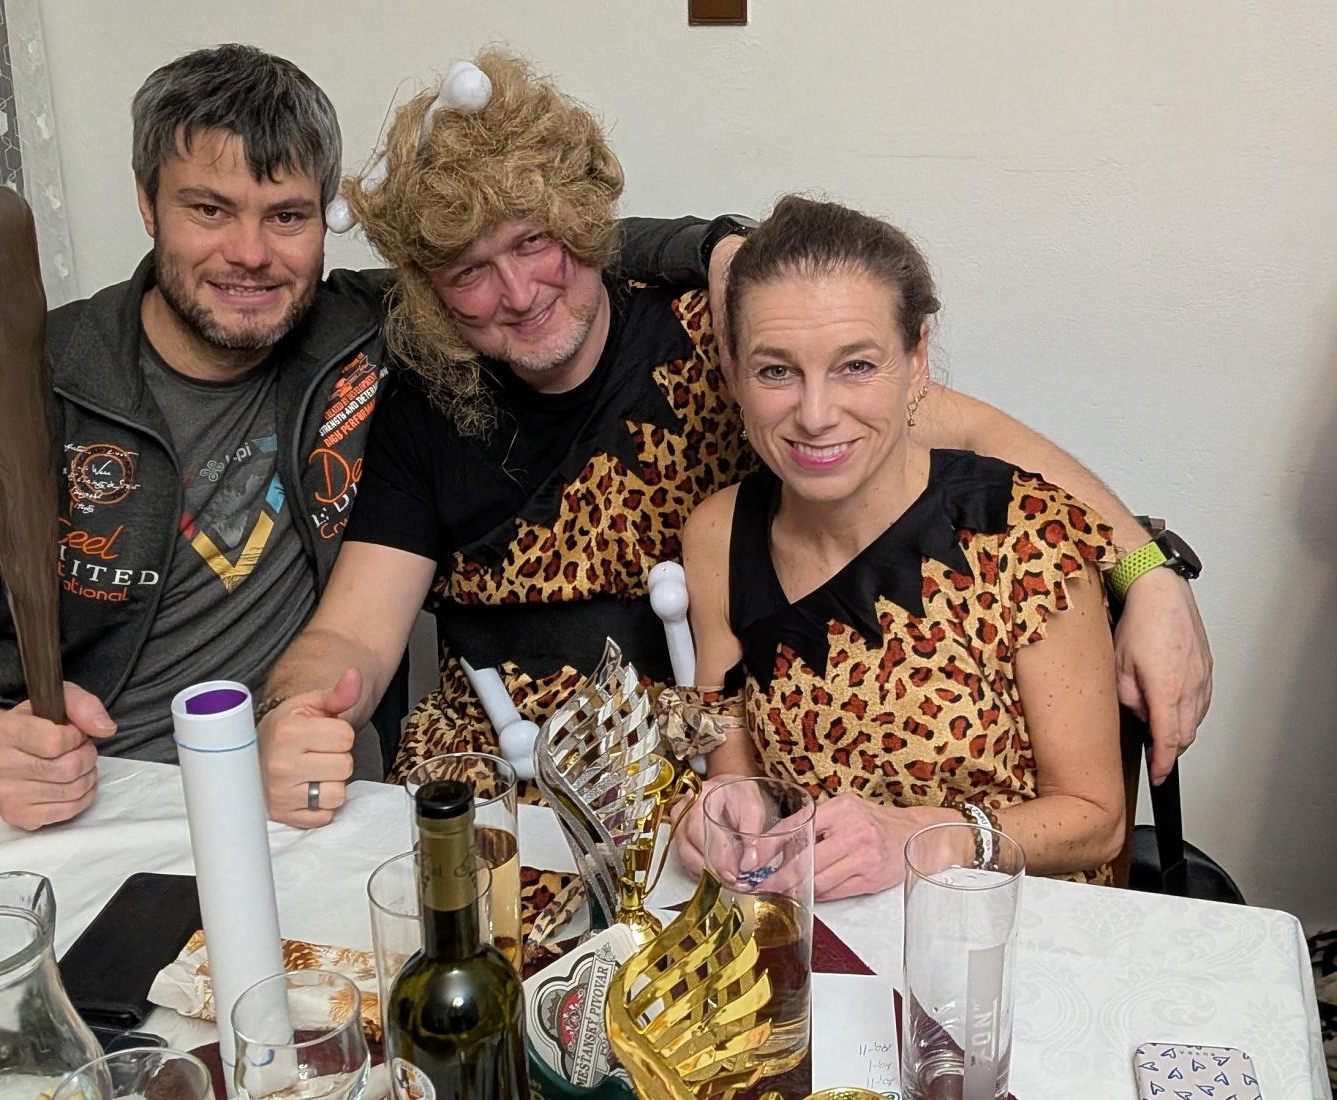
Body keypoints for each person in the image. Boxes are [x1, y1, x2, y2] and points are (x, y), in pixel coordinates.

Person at [256, 49, 1208, 829]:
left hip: (700, 794)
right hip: (504, 802)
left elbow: (955, 431)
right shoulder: (431, 401)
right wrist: (300, 707)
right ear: (430, 290)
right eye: (468, 271)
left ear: (583, 222)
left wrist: (1147, 573)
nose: (516, 292)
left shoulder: (723, 338)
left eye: (533, 242)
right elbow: (352, 631)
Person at [0, 44, 708, 830]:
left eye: (286, 216)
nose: (250, 254)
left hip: (292, 805)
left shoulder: (365, 330)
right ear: (147, 204)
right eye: (209, 209)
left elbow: (529, 244)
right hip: (92, 793)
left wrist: (722, 251)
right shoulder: (33, 382)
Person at [671, 195, 1129, 894]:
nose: (816, 415)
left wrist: (929, 837)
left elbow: (1095, 821)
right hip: (823, 924)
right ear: (732, 372)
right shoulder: (716, 535)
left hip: (1004, 922)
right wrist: (726, 810)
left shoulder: (1027, 531)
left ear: (917, 359)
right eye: (776, 371)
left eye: (856, 365)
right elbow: (733, 757)